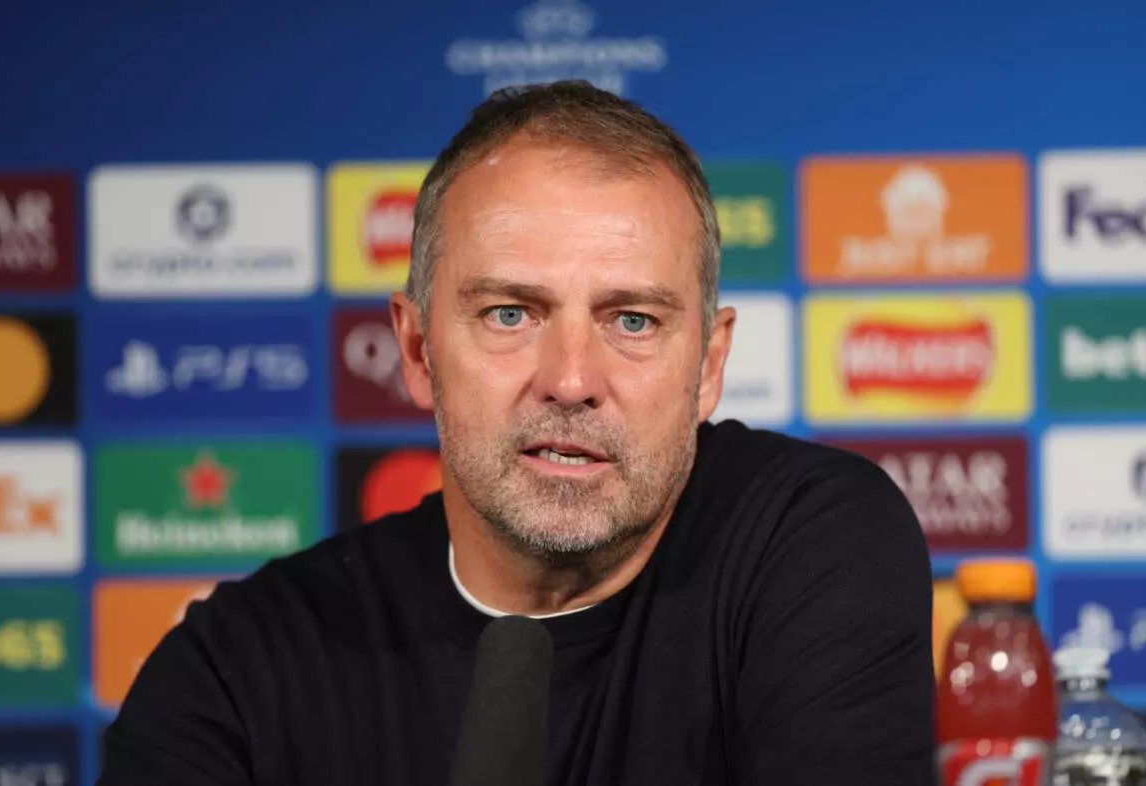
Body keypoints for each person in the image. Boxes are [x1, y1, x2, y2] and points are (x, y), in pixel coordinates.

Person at [98, 80, 936, 786]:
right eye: (510, 313)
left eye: (634, 321)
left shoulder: (812, 542)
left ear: (709, 366)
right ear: (419, 349)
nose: (571, 380)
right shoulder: (243, 667)